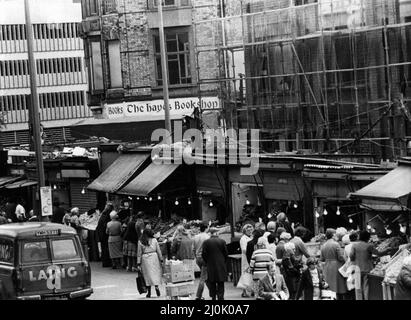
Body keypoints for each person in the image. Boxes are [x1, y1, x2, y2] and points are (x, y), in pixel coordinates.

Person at [349, 230, 389, 300]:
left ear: (360, 237)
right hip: (367, 268)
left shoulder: (354, 245)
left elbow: (351, 256)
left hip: (357, 269)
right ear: (367, 237)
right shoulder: (369, 246)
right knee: (366, 287)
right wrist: (387, 250)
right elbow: (378, 253)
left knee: (358, 287)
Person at [320, 228, 347, 300]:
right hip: (336, 266)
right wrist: (346, 261)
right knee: (338, 286)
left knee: (330, 287)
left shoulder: (323, 245)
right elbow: (340, 257)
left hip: (327, 267)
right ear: (333, 235)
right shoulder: (336, 244)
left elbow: (322, 258)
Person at [202, 227, 228, 300]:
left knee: (212, 281)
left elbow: (204, 254)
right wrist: (223, 261)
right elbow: (226, 254)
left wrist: (207, 261)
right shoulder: (222, 241)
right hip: (220, 264)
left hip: (210, 264)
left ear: (211, 233)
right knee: (220, 282)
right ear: (216, 233)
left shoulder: (206, 242)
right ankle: (220, 297)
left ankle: (213, 296)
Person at [137, 228, 163, 298]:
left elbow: (139, 253)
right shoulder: (154, 240)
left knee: (147, 275)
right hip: (154, 258)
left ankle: (149, 292)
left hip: (145, 259)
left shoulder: (140, 241)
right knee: (155, 274)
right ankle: (156, 287)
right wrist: (161, 259)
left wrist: (138, 263)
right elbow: (158, 250)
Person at [192, 222, 210, 300]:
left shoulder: (195, 237)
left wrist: (196, 256)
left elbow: (192, 249)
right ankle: (198, 296)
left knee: (205, 276)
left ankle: (212, 292)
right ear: (206, 228)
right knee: (203, 278)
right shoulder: (208, 237)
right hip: (205, 258)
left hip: (198, 258)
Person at [96, 202, 114, 268]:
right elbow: (106, 225)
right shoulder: (107, 215)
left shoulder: (103, 214)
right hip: (105, 234)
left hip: (101, 234)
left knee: (104, 248)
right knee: (106, 248)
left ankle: (105, 262)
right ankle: (107, 262)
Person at [239, 223, 254, 297]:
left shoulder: (252, 237)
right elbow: (244, 249)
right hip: (246, 258)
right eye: (248, 230)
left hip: (251, 257)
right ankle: (244, 291)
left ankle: (252, 290)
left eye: (251, 230)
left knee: (251, 274)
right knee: (245, 274)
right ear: (245, 231)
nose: (250, 231)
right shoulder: (243, 239)